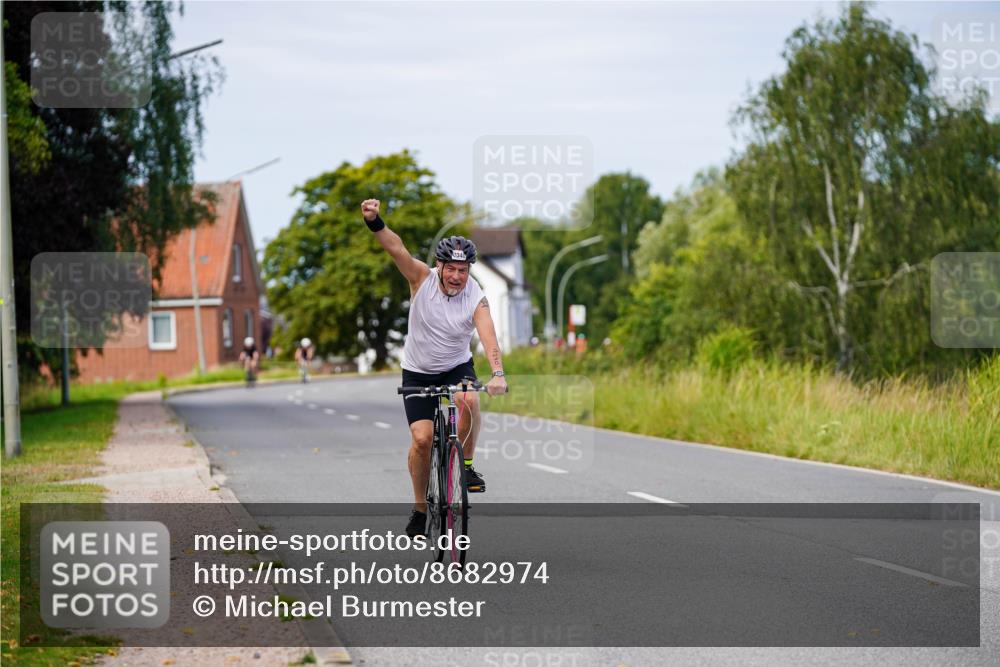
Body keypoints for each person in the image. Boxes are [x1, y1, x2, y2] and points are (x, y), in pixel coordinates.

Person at [361, 198, 508, 539]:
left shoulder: (475, 295)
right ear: (440, 266)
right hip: (418, 371)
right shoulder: (421, 279)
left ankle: (467, 467)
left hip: (457, 366)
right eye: (452, 269)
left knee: (470, 400)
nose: (457, 277)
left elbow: (489, 336)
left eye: (464, 270)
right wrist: (375, 221)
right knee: (423, 439)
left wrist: (498, 373)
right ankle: (419, 507)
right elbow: (396, 249)